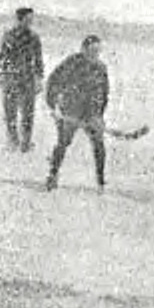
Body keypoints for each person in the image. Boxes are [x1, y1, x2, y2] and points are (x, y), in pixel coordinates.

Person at [44, 35, 111, 192]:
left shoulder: (101, 68)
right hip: (70, 112)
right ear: (83, 49)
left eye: (97, 51)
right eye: (92, 50)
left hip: (92, 114)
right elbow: (53, 81)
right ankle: (53, 175)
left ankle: (100, 181)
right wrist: (53, 104)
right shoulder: (72, 63)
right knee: (63, 143)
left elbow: (105, 92)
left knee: (99, 146)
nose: (95, 54)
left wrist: (100, 115)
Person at [0, 6, 44, 152]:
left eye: (32, 19)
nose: (30, 22)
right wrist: (2, 77)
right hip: (11, 78)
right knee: (10, 112)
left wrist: (39, 79)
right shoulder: (8, 36)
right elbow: (2, 58)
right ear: (19, 19)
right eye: (27, 19)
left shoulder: (34, 37)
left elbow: (38, 60)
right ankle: (12, 141)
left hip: (28, 79)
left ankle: (26, 143)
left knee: (28, 113)